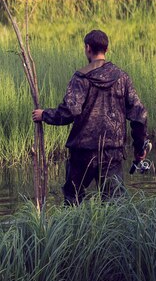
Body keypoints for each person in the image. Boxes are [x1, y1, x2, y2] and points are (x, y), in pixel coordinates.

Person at [32, 29, 148, 204]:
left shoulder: (80, 78)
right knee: (115, 205)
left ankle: (73, 231)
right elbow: (140, 116)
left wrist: (44, 115)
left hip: (82, 153)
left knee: (73, 201)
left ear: (87, 48)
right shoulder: (122, 78)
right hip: (112, 152)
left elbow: (69, 111)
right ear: (106, 49)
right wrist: (140, 150)